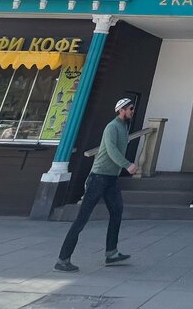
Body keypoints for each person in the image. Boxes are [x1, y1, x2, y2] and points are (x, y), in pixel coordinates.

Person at [54, 97, 138, 272]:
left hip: (112, 178)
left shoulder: (123, 127)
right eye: (130, 108)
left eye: (132, 108)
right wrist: (126, 165)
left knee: (117, 212)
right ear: (121, 110)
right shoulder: (112, 127)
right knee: (82, 218)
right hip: (98, 178)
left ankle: (111, 253)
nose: (132, 111)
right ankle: (63, 259)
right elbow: (111, 149)